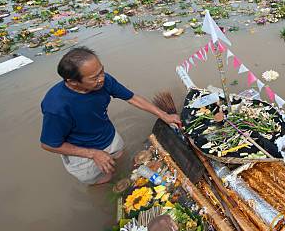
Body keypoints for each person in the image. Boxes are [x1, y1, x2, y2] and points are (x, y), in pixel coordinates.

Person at [40, 47, 182, 185]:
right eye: (94, 77)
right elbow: (49, 144)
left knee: (123, 163)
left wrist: (164, 115)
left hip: (109, 137)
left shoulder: (103, 82)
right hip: (82, 155)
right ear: (73, 81)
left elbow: (132, 98)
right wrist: (93, 154)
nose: (101, 79)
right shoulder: (56, 106)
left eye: (101, 71)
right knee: (104, 180)